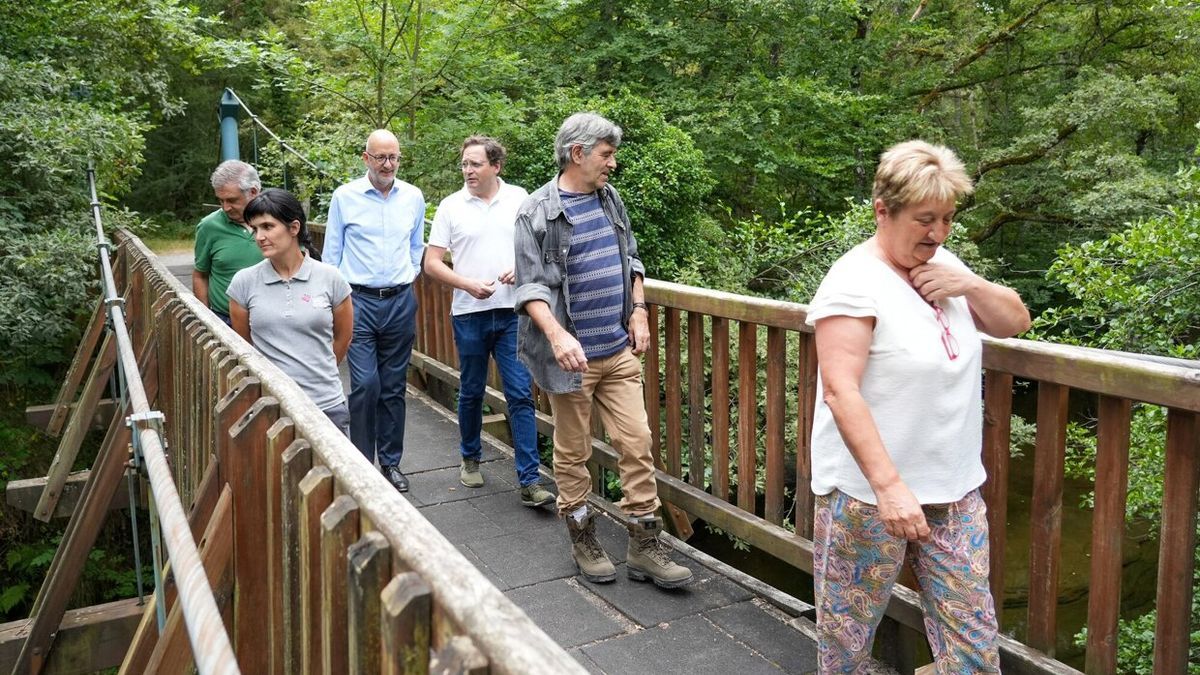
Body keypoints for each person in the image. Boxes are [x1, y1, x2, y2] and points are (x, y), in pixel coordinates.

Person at [805, 140, 1031, 673]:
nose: (938, 233)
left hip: (955, 492)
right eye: (925, 219)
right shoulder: (853, 282)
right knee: (847, 644)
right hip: (868, 497)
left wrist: (970, 284)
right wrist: (889, 488)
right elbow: (841, 390)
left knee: (974, 648)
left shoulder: (944, 263)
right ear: (883, 211)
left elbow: (1014, 322)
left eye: (948, 219)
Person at [513, 112, 692, 589]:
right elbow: (529, 287)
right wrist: (556, 335)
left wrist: (638, 309)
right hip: (571, 360)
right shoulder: (536, 212)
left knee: (637, 444)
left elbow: (631, 255)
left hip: (616, 350)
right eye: (607, 155)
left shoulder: (609, 199)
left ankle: (644, 544)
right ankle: (583, 538)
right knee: (573, 452)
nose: (613, 163)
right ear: (578, 153)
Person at [424, 136, 555, 508]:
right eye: (465, 164)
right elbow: (431, 263)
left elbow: (541, 246)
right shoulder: (451, 207)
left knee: (519, 394)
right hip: (469, 313)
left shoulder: (519, 197)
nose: (468, 171)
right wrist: (466, 283)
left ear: (495, 166)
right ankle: (470, 458)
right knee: (471, 390)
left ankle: (530, 480)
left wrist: (521, 266)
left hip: (514, 312)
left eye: (475, 164)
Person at [324, 129, 426, 492]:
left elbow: (417, 248)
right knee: (366, 384)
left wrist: (407, 276)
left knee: (394, 387)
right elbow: (331, 254)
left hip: (400, 300)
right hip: (358, 301)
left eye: (393, 157)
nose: (387, 164)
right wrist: (331, 301)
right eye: (380, 157)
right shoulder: (345, 197)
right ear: (366, 158)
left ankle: (391, 462)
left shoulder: (413, 197)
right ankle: (361, 462)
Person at [227, 189, 354, 435]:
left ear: (294, 228)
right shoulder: (244, 283)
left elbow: (343, 338)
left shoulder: (331, 278)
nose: (260, 236)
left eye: (267, 226)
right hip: (270, 406)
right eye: (255, 229)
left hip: (326, 403)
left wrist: (317, 372)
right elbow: (245, 347)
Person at [193, 160, 264, 325]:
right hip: (225, 320)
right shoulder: (209, 226)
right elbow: (200, 274)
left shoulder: (278, 220)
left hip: (273, 320)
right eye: (221, 200)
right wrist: (206, 320)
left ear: (253, 192)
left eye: (232, 200)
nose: (225, 207)